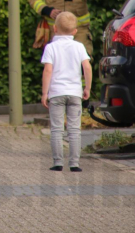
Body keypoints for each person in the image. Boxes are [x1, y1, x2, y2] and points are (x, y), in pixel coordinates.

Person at [41, 11, 92, 172]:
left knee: (57, 129)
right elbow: (87, 67)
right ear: (75, 31)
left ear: (55, 28)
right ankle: (74, 163)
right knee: (74, 130)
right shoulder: (79, 47)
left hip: (56, 93)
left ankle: (58, 162)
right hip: (75, 93)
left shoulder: (51, 47)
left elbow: (48, 70)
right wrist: (87, 87)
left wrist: (45, 93)